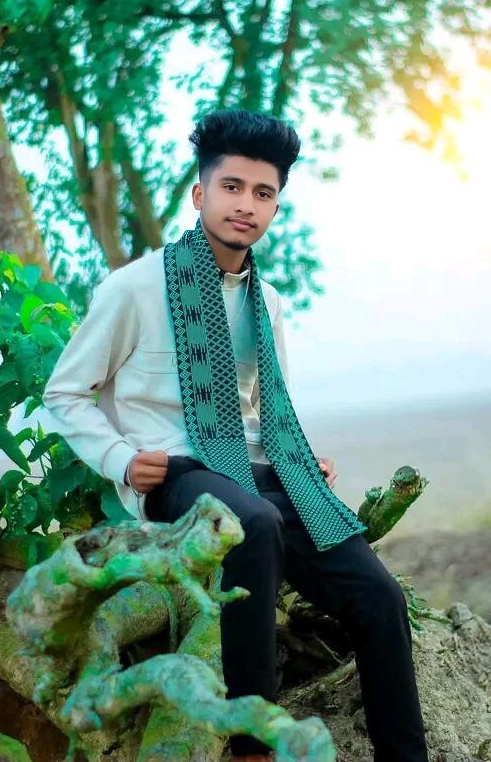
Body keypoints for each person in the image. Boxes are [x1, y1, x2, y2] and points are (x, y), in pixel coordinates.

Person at [42, 109, 429, 762]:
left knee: (380, 598)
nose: (246, 204)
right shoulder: (136, 288)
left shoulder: (265, 301)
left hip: (254, 472)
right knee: (252, 520)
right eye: (231, 187)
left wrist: (298, 460)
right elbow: (65, 392)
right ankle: (253, 744)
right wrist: (120, 459)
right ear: (200, 194)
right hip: (179, 474)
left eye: (263, 192)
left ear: (275, 206)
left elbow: (266, 407)